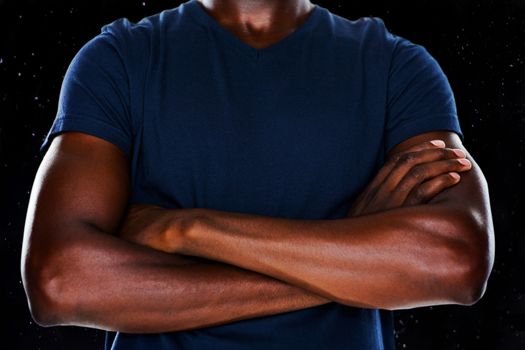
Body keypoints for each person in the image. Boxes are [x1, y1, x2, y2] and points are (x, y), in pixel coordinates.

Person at [21, 0, 495, 349]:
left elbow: (455, 263)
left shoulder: (398, 66)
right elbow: (59, 283)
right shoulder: (118, 59)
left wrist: (183, 228)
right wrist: (350, 254)